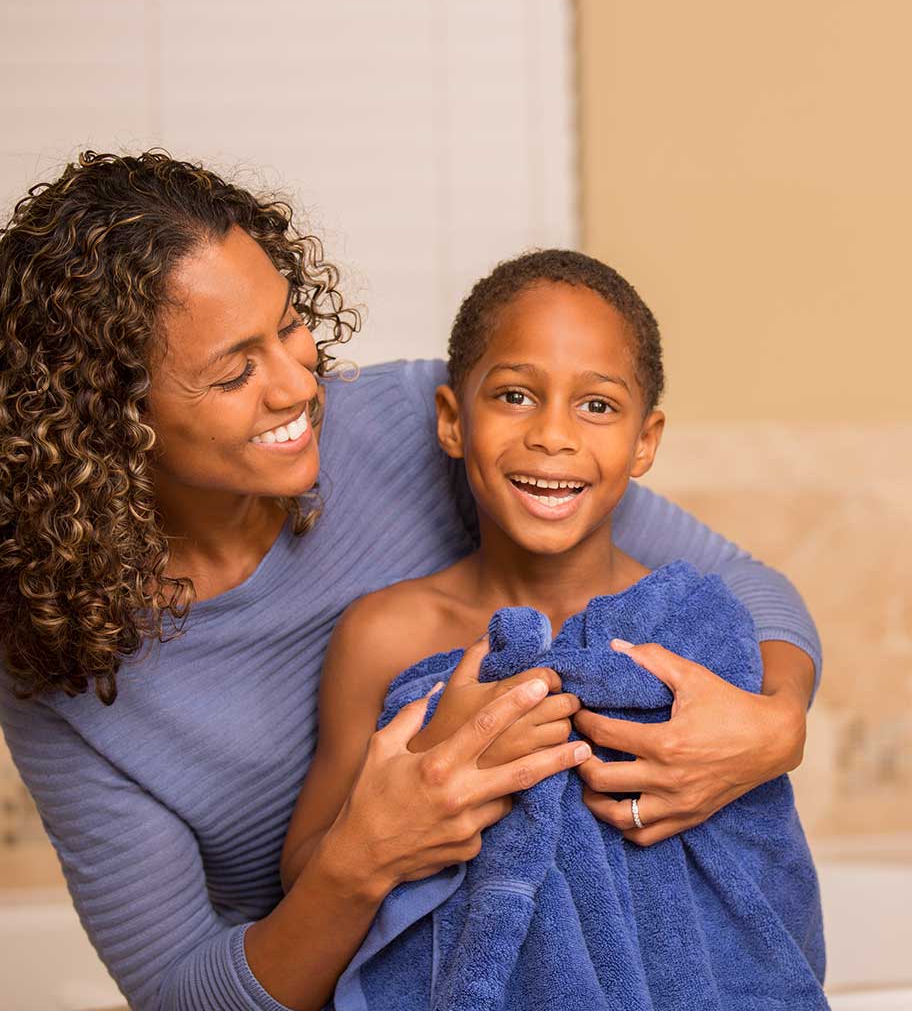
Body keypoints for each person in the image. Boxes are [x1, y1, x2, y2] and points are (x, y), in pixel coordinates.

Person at [0, 151, 820, 1011]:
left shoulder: (410, 423)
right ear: (110, 420)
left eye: (287, 326)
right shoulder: (65, 669)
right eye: (236, 370)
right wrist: (368, 853)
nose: (297, 385)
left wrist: (775, 723)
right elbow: (179, 993)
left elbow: (736, 584)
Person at [282, 250, 826, 1008]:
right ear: (451, 422)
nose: (553, 435)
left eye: (597, 406)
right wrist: (430, 771)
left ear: (645, 440)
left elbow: (760, 875)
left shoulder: (691, 633)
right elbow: (308, 868)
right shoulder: (386, 633)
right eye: (513, 395)